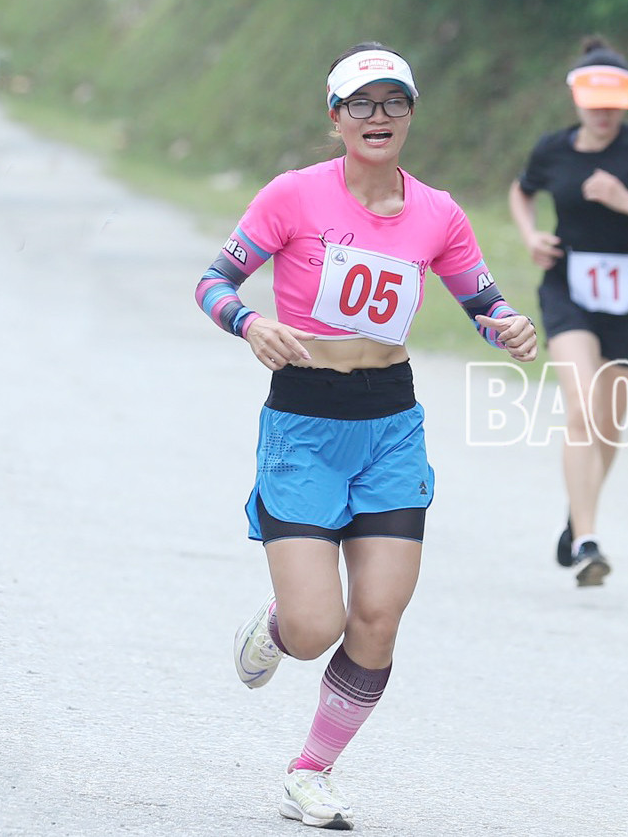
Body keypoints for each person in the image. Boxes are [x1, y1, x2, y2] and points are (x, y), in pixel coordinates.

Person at [196, 42, 537, 830]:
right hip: (305, 423)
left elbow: (481, 302)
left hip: (390, 424)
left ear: (411, 115)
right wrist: (252, 324)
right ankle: (280, 625)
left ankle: (311, 771)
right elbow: (213, 282)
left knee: (378, 616)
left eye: (394, 103)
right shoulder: (292, 197)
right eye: (362, 104)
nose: (378, 117)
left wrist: (508, 326)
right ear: (336, 119)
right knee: (317, 627)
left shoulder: (438, 212)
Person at [507, 36, 628, 587]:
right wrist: (530, 236)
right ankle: (589, 542)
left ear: (627, 101)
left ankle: (577, 518)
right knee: (582, 410)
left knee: (609, 424)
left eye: (614, 102)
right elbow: (521, 193)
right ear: (577, 100)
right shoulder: (553, 150)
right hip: (567, 289)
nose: (603, 112)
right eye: (594, 101)